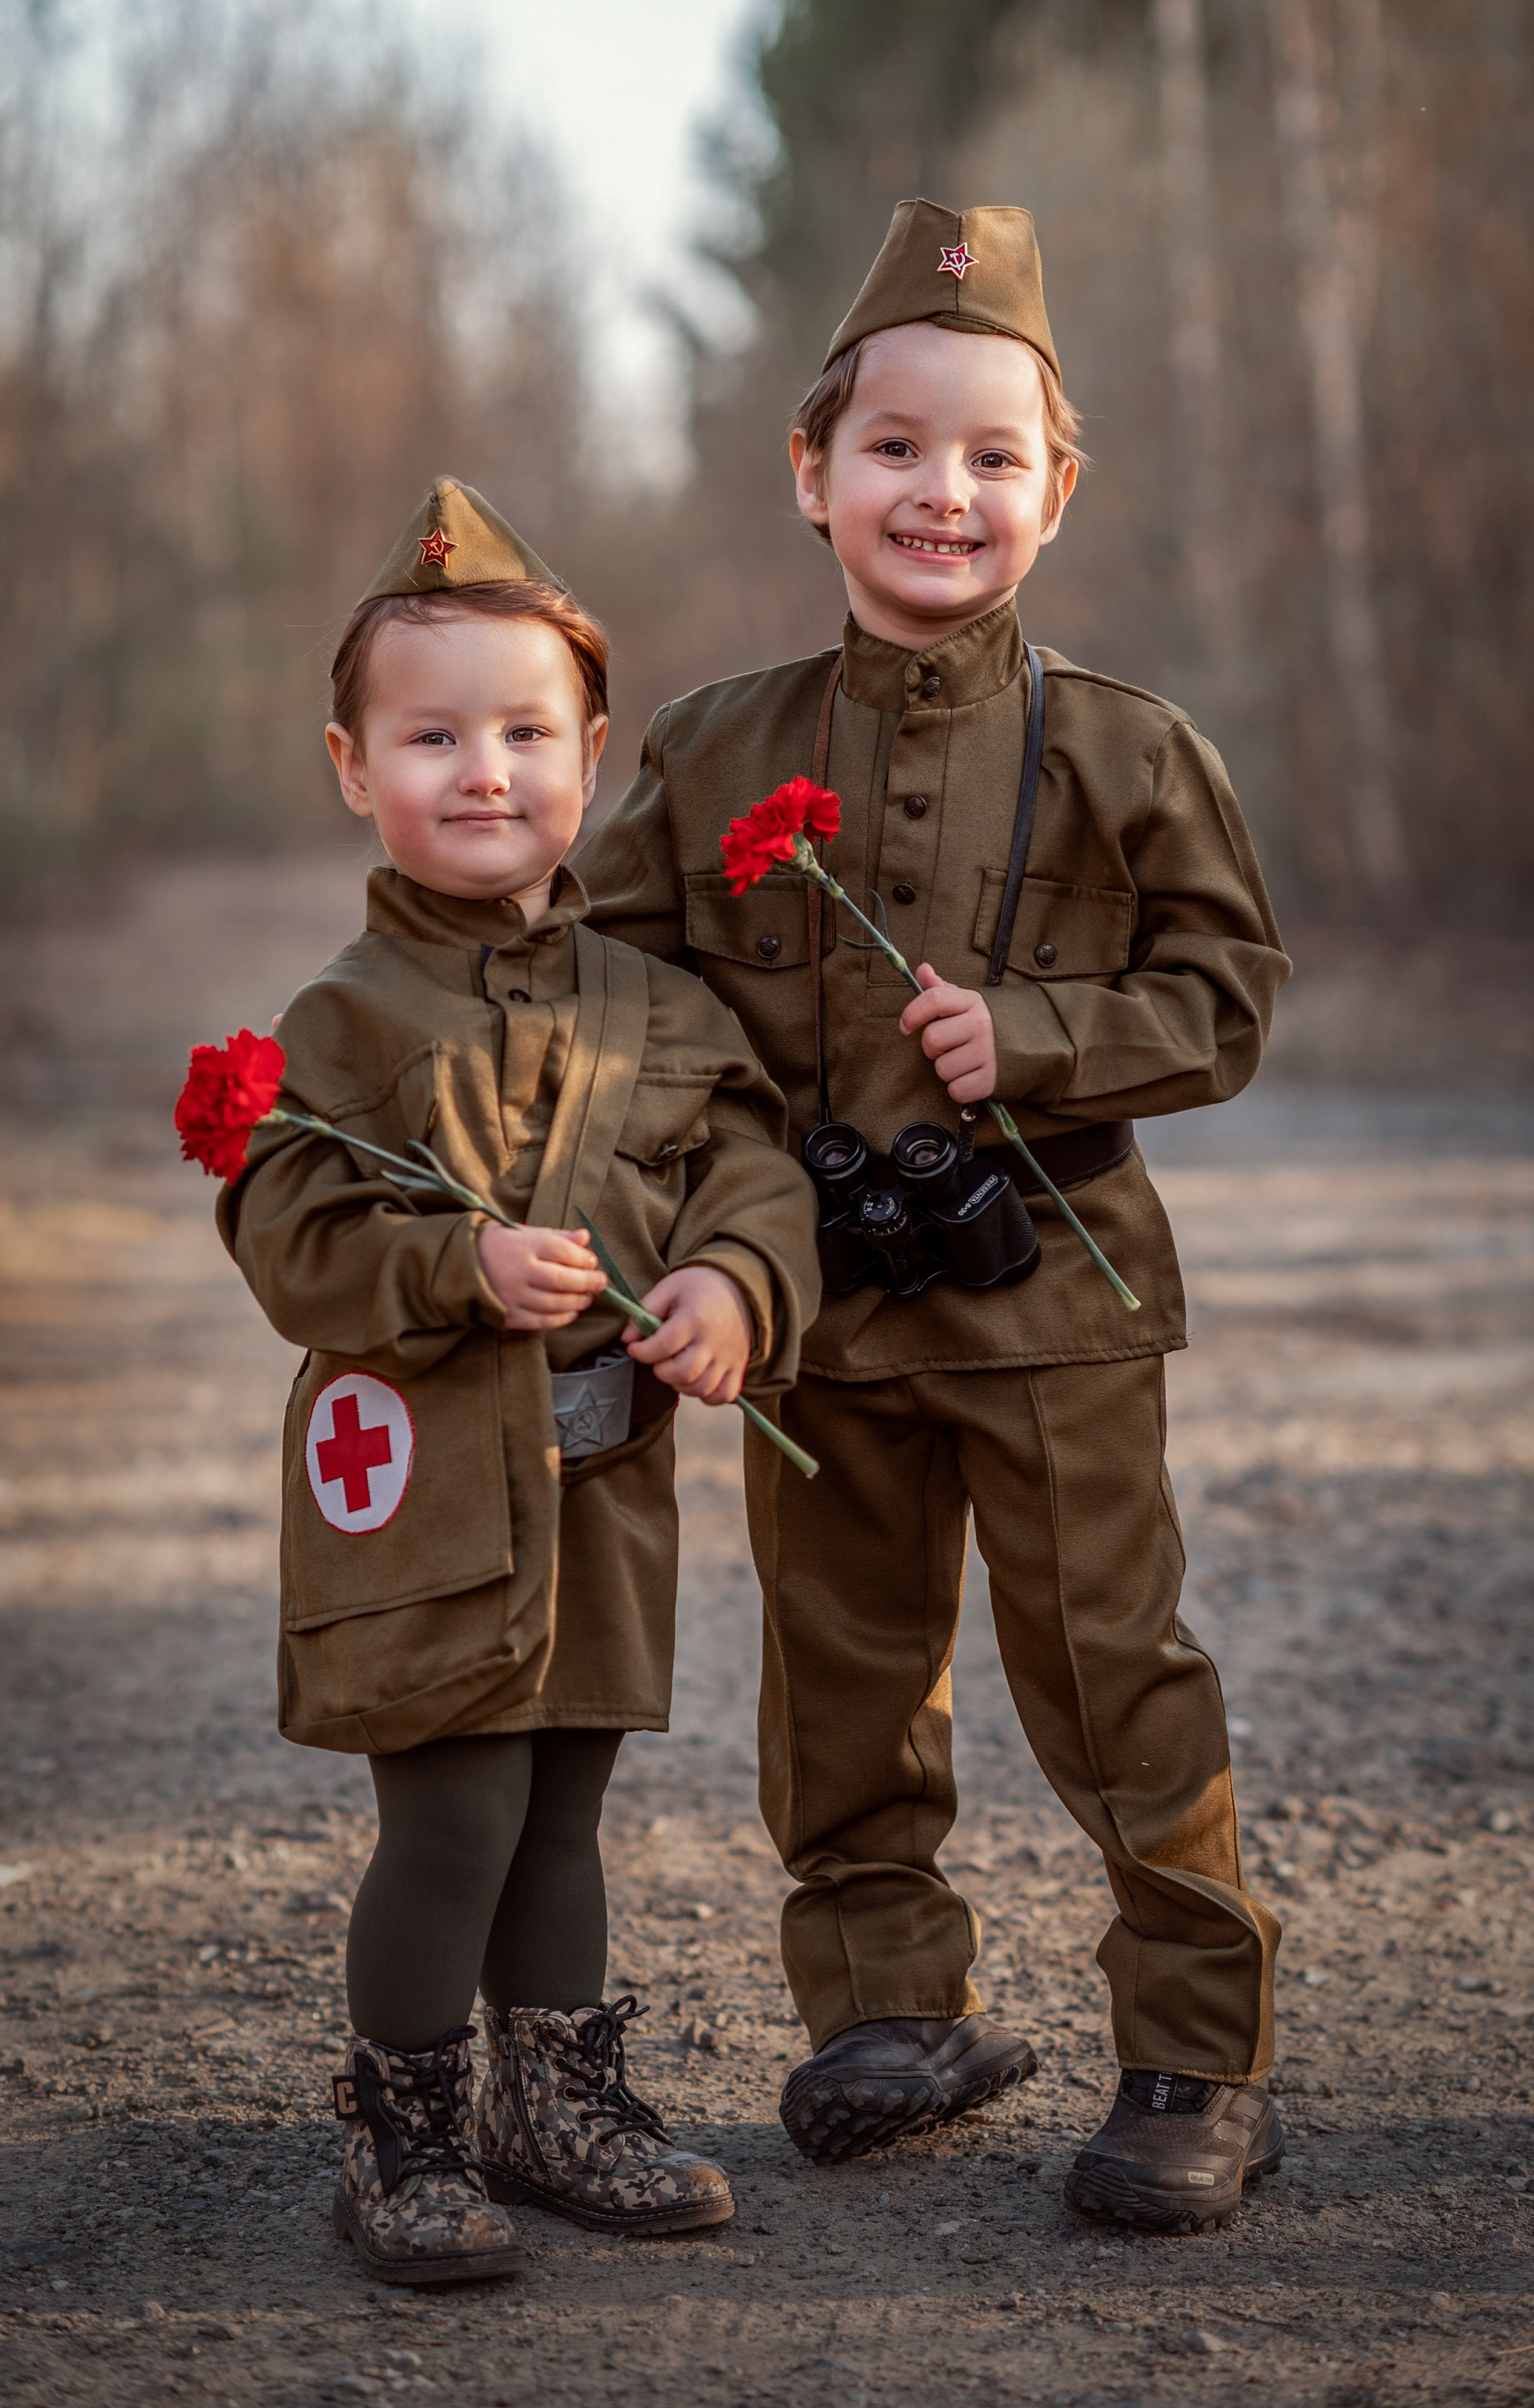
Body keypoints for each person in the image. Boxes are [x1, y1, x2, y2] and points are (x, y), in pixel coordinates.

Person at [578, 202, 1291, 2235]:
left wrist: (1047, 1034)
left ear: (1059, 491)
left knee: (1111, 1669)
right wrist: (682, 1213)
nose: (943, 493)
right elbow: (619, 1002)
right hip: (824, 1307)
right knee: (839, 1666)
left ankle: (1197, 2049)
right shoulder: (711, 748)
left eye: (994, 456)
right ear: (812, 475)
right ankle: (890, 2007)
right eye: (896, 447)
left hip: (1053, 1296)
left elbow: (1231, 998)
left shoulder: (1136, 755)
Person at [217, 478, 819, 2285]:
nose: (485, 769)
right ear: (352, 766)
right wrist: (449, 1266)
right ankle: (397, 2126)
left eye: (525, 732)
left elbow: (753, 1168)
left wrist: (734, 1280)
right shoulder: (344, 1017)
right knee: (458, 1805)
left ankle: (550, 2100)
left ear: (594, 755)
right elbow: (288, 1230)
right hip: (423, 1498)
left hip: (600, 1493)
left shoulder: (657, 1003)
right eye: (432, 735)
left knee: (564, 1804)